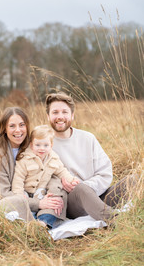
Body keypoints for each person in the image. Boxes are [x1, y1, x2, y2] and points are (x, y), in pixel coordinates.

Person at [45, 92, 136, 222]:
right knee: (81, 189)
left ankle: (99, 208)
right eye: (55, 112)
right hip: (70, 204)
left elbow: (105, 173)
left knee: (133, 180)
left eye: (64, 112)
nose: (60, 116)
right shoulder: (43, 145)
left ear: (72, 115)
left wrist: (88, 187)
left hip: (96, 194)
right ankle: (116, 221)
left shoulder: (88, 138)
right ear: (48, 116)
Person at [0, 107, 64, 222]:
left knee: (58, 195)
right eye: (12, 126)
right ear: (4, 129)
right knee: (15, 202)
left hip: (31, 192)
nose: (18, 130)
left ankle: (45, 221)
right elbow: (2, 193)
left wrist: (51, 195)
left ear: (27, 127)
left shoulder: (34, 146)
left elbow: (50, 170)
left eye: (22, 125)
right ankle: (32, 224)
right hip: (7, 197)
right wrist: (38, 203)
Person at [12, 125, 78, 227]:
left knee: (53, 202)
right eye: (38, 145)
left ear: (51, 145)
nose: (41, 148)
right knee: (23, 207)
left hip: (41, 192)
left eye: (46, 145)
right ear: (31, 145)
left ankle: (44, 222)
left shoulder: (54, 158)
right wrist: (19, 194)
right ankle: (29, 223)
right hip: (26, 192)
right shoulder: (24, 159)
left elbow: (62, 171)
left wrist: (72, 180)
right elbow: (18, 179)